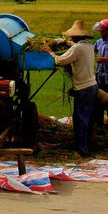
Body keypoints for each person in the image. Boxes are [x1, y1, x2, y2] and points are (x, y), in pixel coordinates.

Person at [43, 20, 97, 157]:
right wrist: (66, 43)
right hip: (92, 86)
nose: (71, 37)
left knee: (81, 119)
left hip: (83, 88)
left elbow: (60, 61)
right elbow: (74, 47)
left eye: (72, 36)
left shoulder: (77, 48)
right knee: (87, 118)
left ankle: (82, 150)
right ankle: (87, 145)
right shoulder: (88, 46)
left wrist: (50, 52)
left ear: (76, 36)